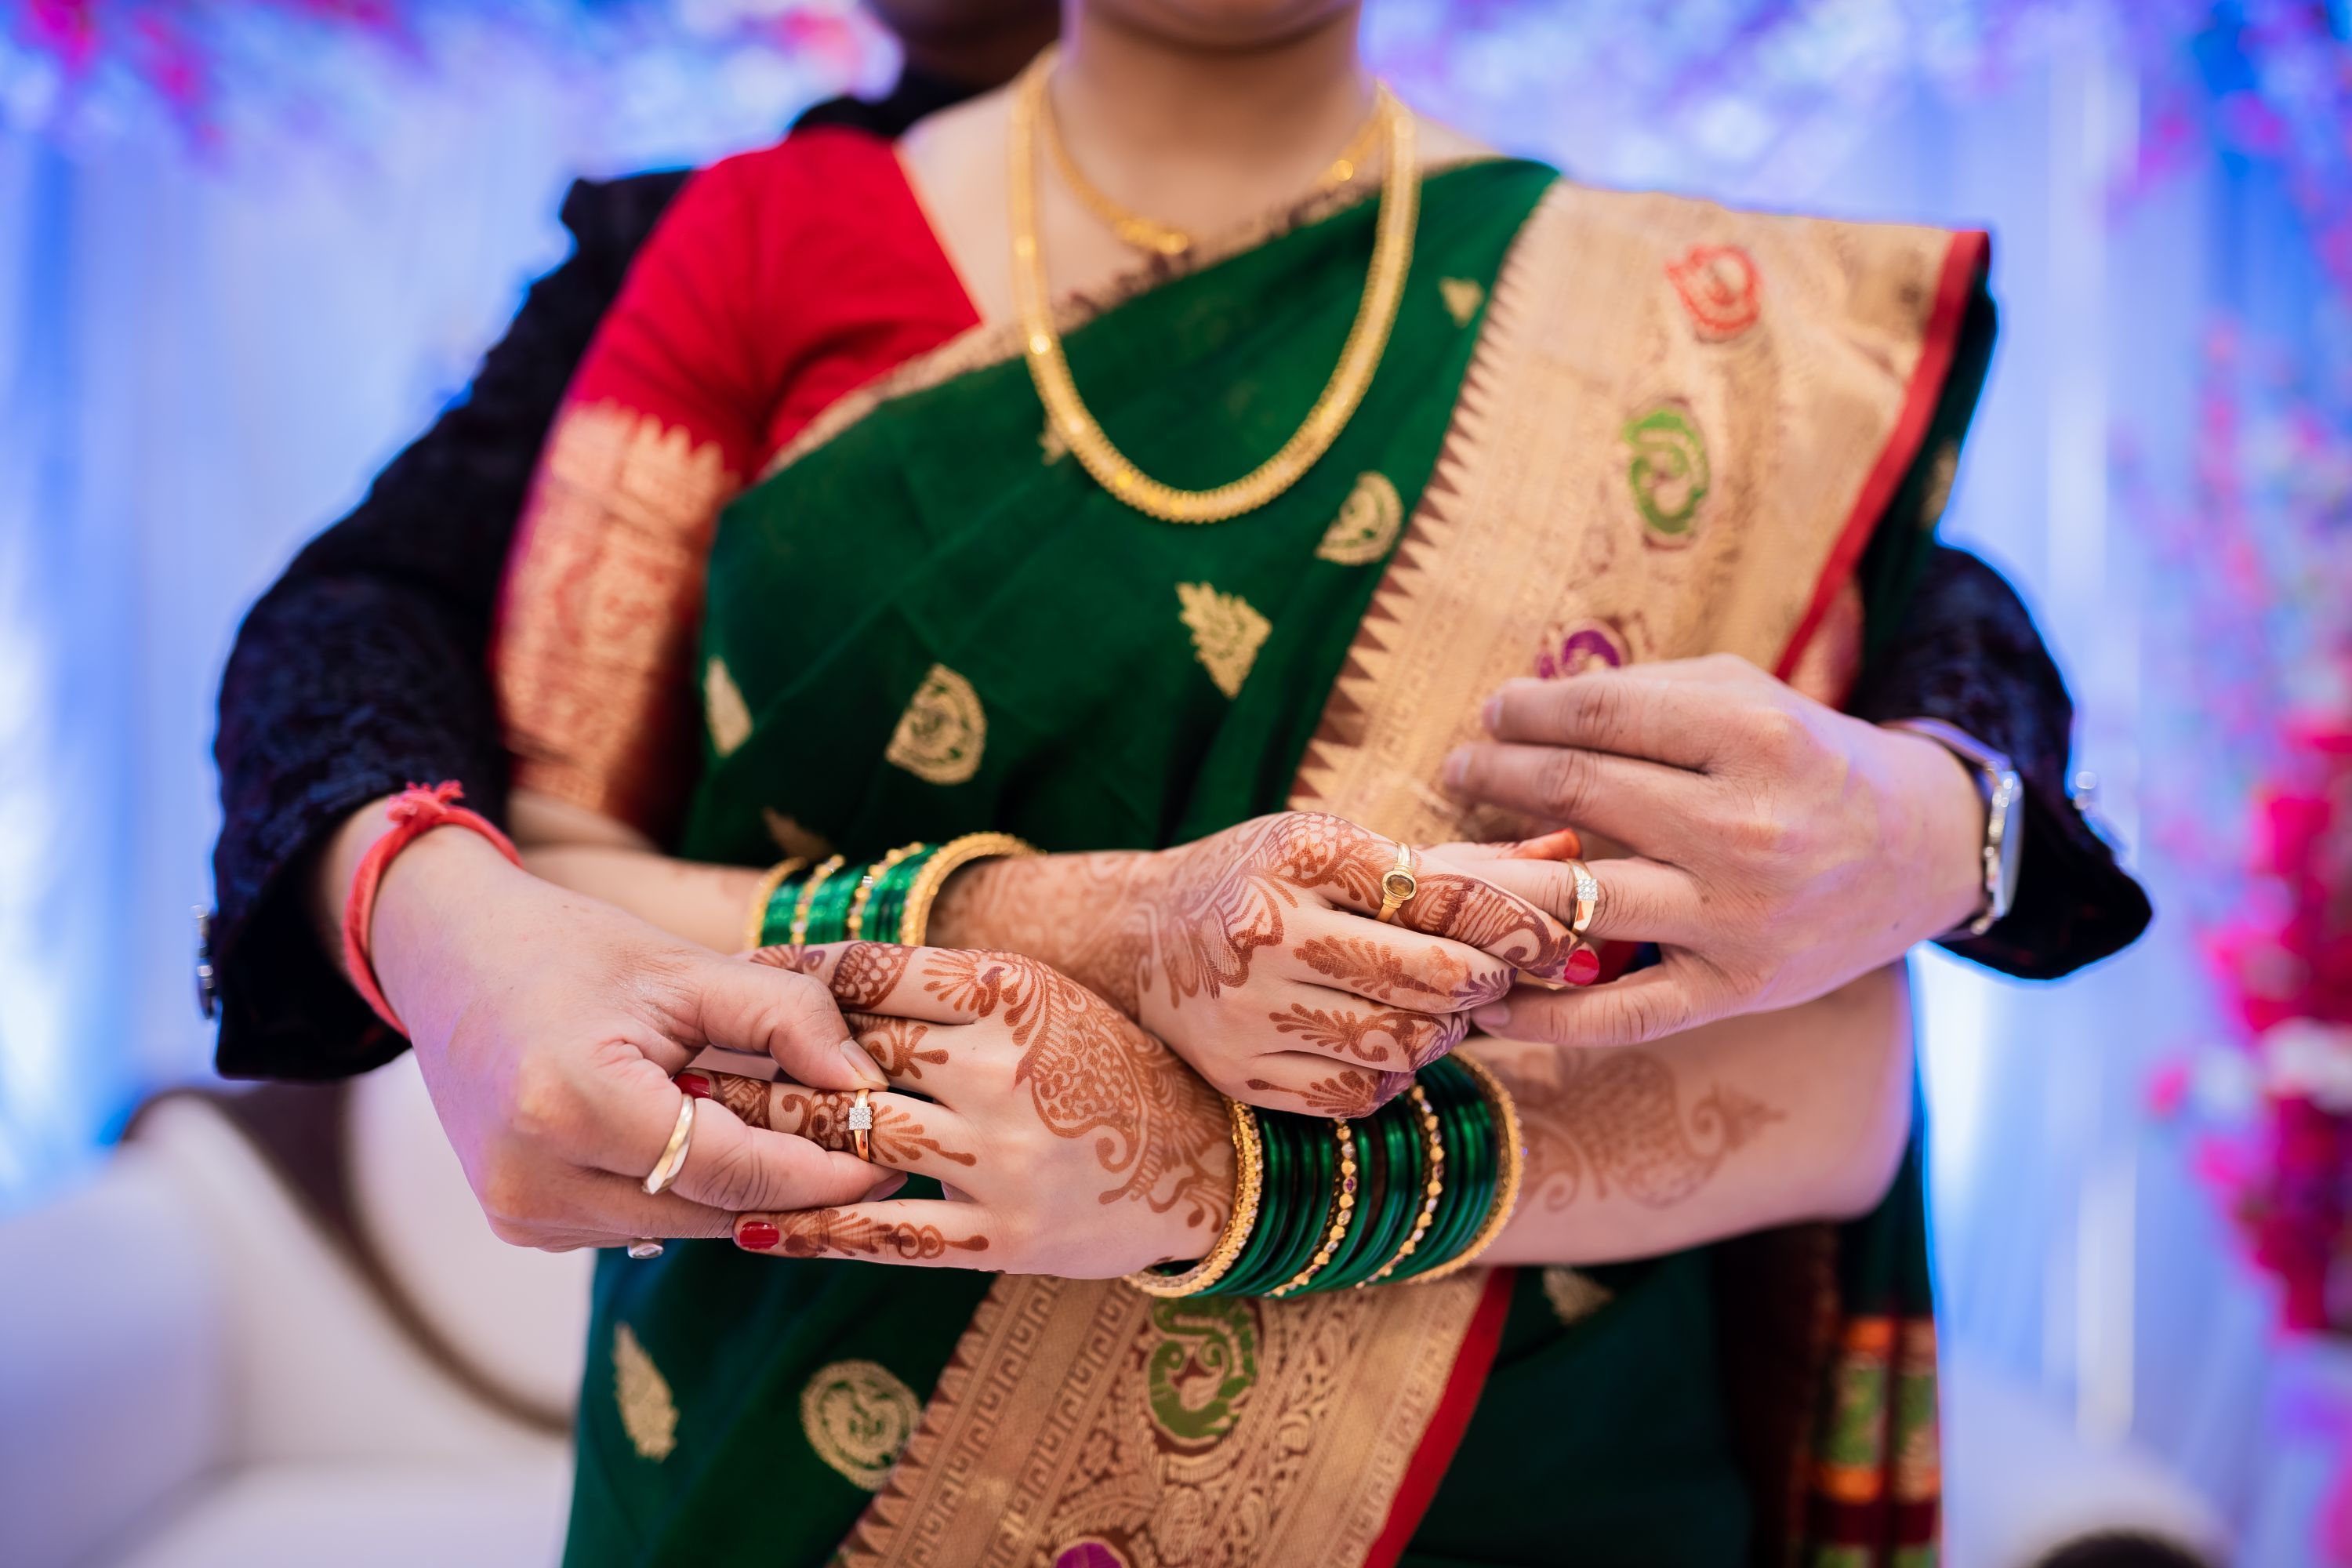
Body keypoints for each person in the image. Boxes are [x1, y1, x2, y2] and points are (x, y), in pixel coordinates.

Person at [208, 0, 2152, 1563]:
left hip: (1531, 1466)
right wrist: (1086, 928)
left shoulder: (1703, 348)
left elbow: (1837, 1051)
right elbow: (517, 830)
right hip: (820, 1454)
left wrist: (1217, 1171)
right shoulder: (748, 250)